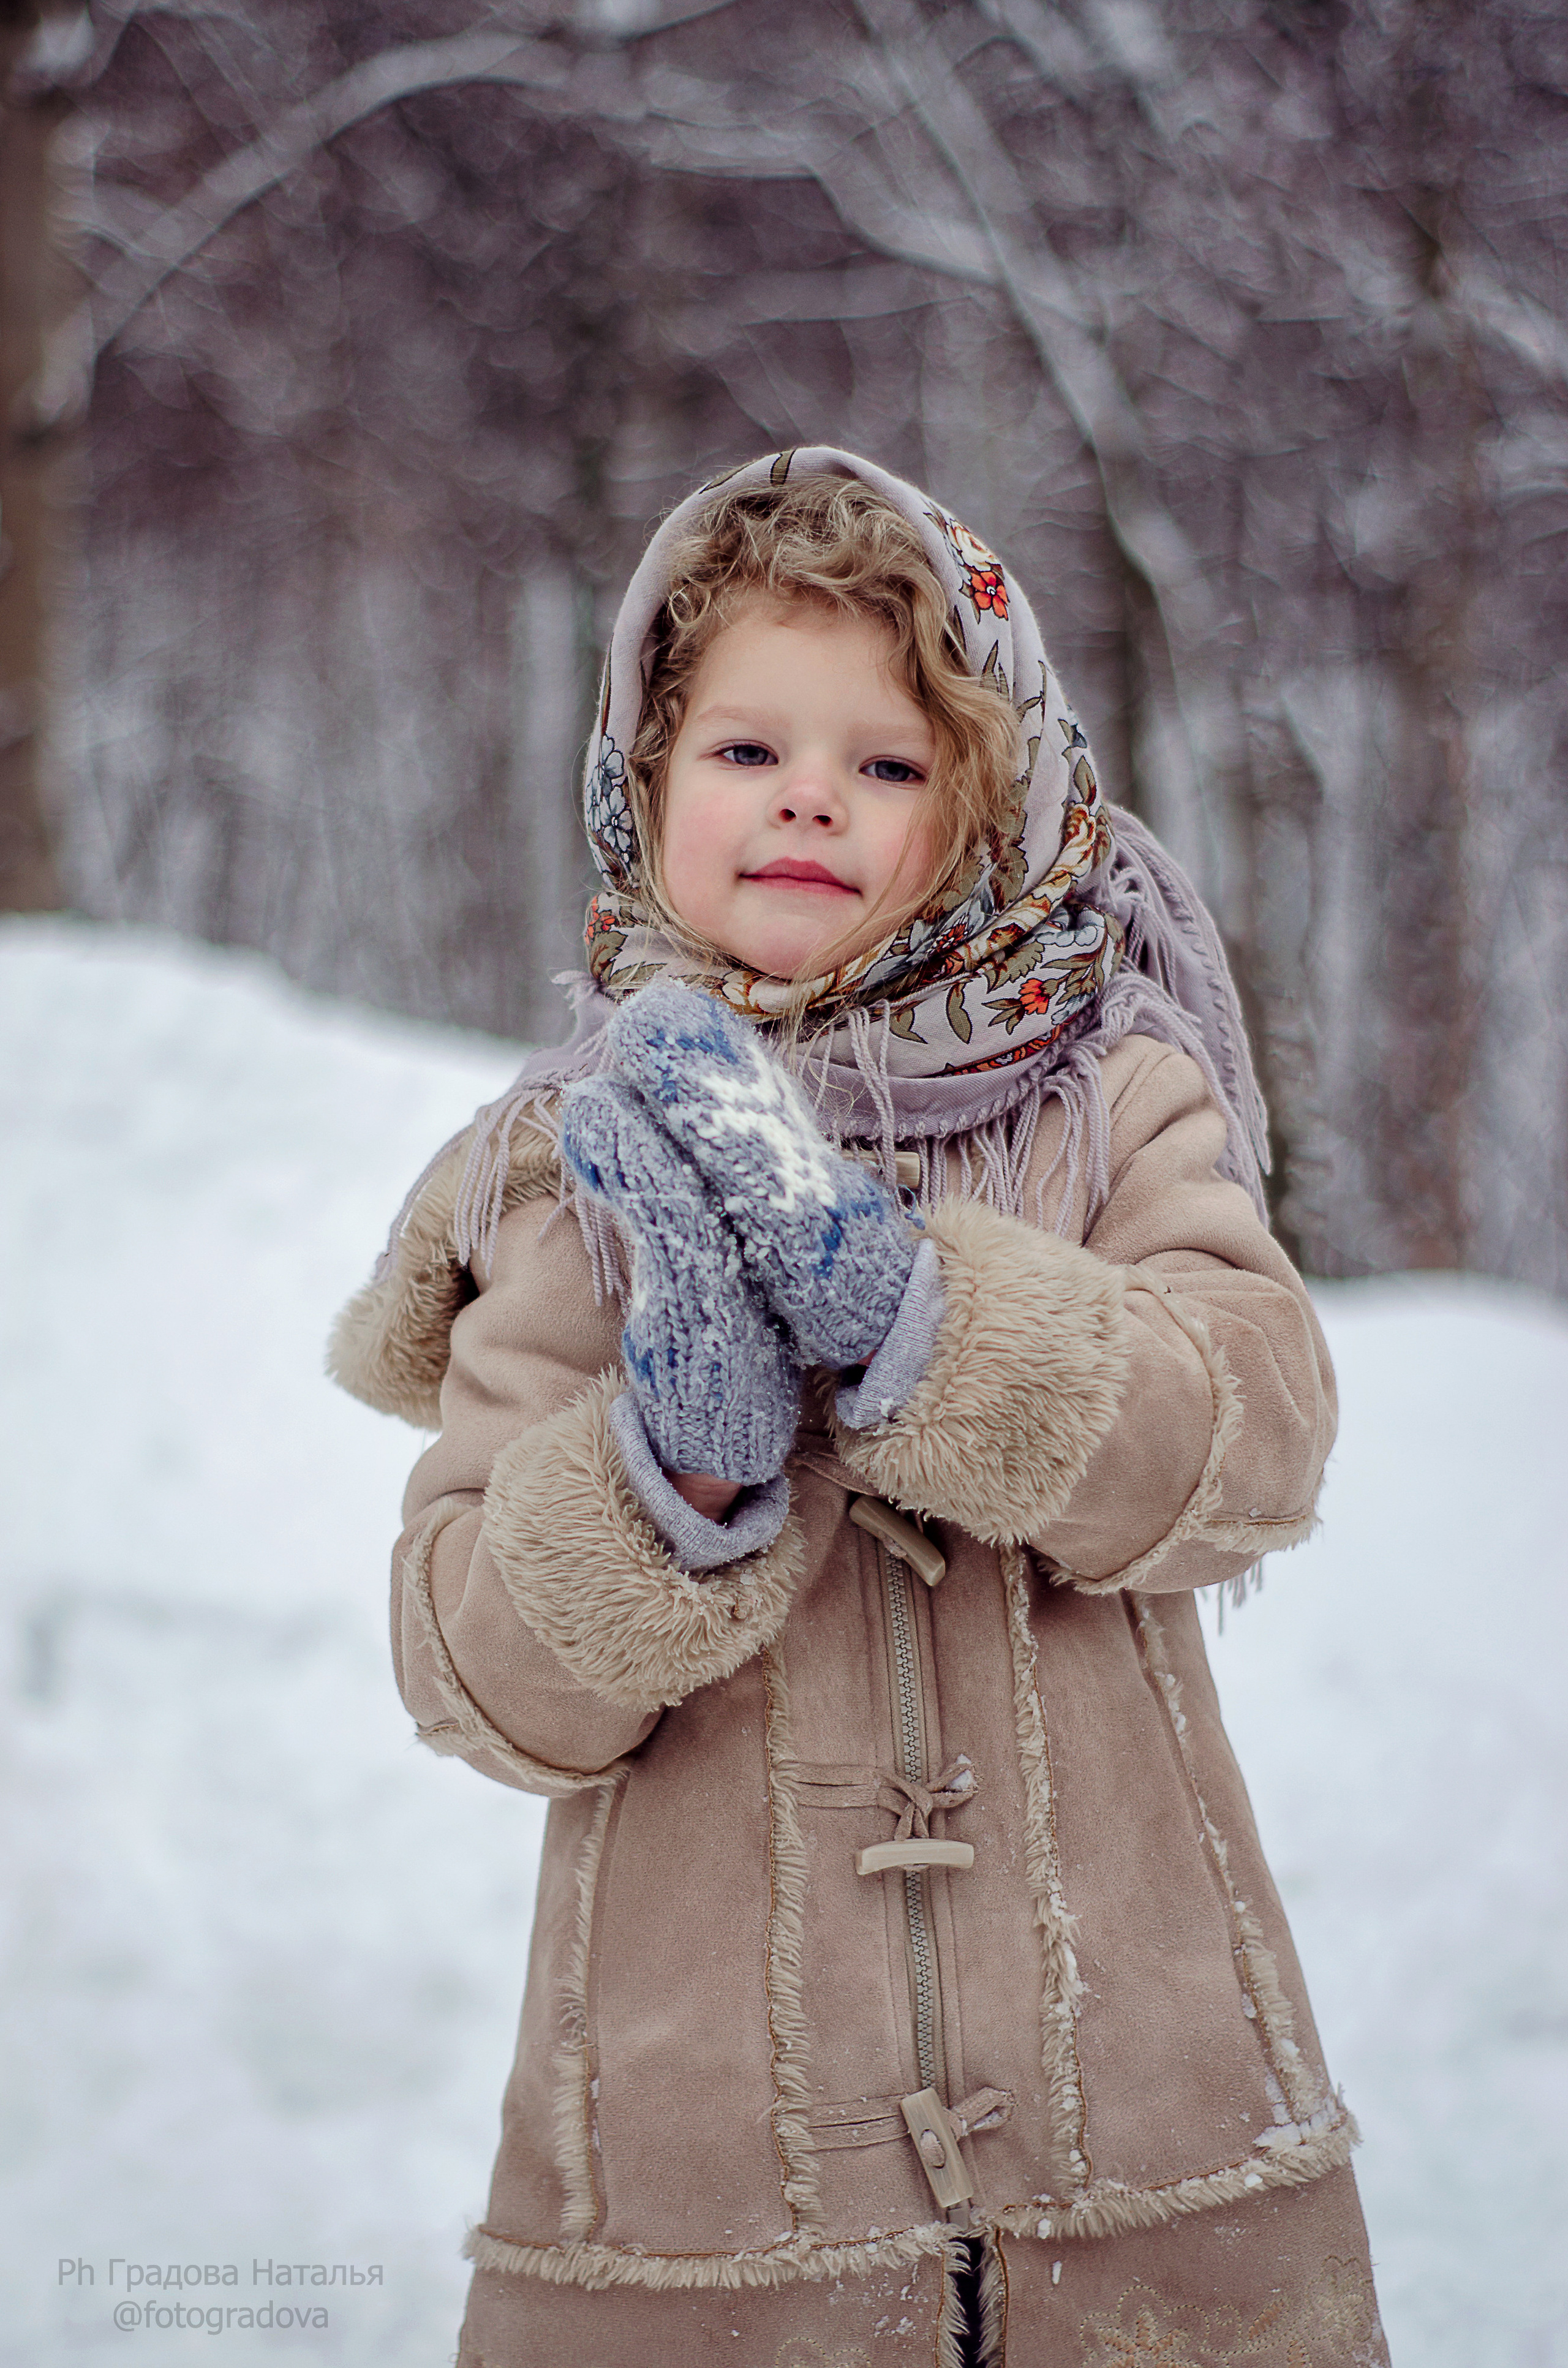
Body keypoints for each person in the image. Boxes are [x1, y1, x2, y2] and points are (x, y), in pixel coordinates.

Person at [329, 450, 1389, 2367]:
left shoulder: (1110, 1097)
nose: (813, 793)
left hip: (1144, 2136)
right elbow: (474, 1672)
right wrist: (683, 1462)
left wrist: (919, 1322)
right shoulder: (573, 1175)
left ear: (988, 807)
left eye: (888, 764)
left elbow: (1260, 1431)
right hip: (707, 2204)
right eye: (745, 750)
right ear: (638, 789)